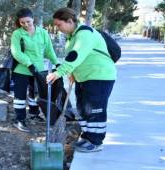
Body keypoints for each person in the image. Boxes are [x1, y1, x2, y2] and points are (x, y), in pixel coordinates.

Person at [46, 7, 116, 152]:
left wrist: (58, 72)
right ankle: (87, 137)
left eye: (59, 25)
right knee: (83, 109)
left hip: (99, 76)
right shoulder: (72, 37)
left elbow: (76, 55)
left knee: (95, 110)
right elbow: (78, 59)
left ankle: (95, 142)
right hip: (84, 78)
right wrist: (72, 73)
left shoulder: (85, 33)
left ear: (70, 21)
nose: (58, 28)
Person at [11, 8, 59, 132]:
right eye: (22, 23)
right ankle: (19, 119)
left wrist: (57, 63)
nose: (26, 24)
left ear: (33, 19)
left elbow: (49, 50)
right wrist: (29, 64)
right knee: (20, 95)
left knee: (34, 94)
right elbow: (16, 52)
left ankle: (34, 114)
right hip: (22, 69)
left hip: (38, 70)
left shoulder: (43, 32)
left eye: (28, 21)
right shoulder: (17, 34)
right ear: (19, 23)